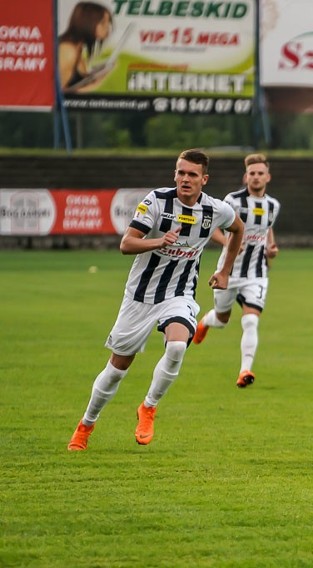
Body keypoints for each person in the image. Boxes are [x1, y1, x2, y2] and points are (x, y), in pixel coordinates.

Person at [67, 149, 245, 451]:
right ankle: (86, 424)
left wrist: (224, 271)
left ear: (204, 179)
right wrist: (158, 241)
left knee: (177, 346)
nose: (184, 179)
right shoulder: (156, 201)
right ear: (175, 173)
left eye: (192, 174)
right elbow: (126, 244)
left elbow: (238, 229)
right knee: (116, 371)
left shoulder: (216, 209)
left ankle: (148, 407)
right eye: (180, 172)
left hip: (179, 294)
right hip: (139, 298)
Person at [193, 153, 281, 388]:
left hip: (256, 274)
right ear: (246, 176)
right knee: (222, 320)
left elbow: (268, 229)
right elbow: (213, 230)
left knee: (251, 321)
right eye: (252, 173)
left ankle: (245, 370)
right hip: (228, 272)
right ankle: (205, 322)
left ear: (267, 177)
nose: (256, 177)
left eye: (260, 173)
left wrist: (271, 248)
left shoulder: (273, 205)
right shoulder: (232, 201)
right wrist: (229, 243)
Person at [58, 1, 113, 92]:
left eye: (108, 23)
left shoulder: (78, 48)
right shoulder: (67, 50)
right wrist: (97, 83)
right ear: (87, 22)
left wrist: (101, 72)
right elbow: (58, 95)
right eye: (103, 22)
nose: (107, 27)